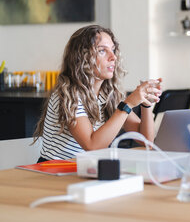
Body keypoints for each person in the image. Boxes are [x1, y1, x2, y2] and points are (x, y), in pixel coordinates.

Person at [34, 25, 162, 162]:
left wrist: (145, 104)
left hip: (85, 169)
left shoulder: (108, 95)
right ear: (82, 57)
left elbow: (147, 141)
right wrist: (128, 104)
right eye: (102, 51)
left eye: (113, 50)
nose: (113, 57)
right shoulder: (68, 94)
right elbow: (92, 146)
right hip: (54, 171)